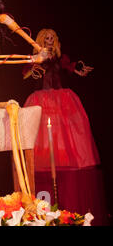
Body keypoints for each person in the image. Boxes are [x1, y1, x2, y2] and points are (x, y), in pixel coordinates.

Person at [23, 28, 108, 225]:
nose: (50, 41)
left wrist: (78, 68)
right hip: (41, 101)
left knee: (65, 138)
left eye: (52, 38)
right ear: (40, 40)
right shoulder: (36, 58)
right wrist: (34, 65)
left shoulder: (61, 59)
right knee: (42, 139)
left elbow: (70, 67)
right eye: (46, 38)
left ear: (57, 41)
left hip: (62, 101)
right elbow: (26, 73)